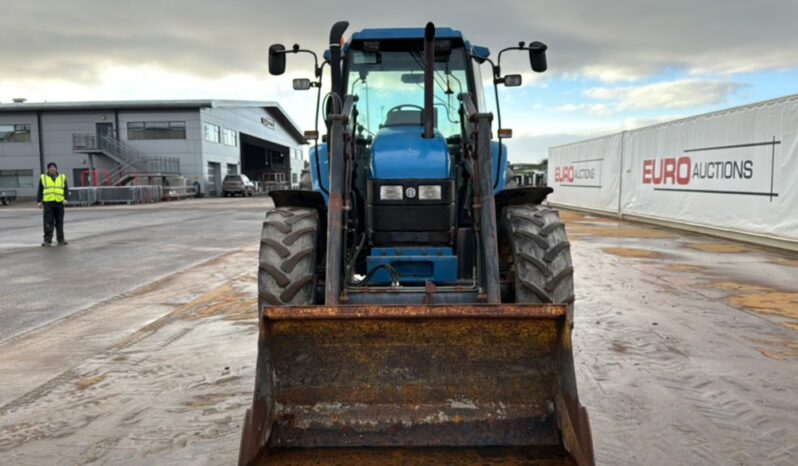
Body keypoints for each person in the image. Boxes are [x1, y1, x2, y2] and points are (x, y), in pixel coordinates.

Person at [37, 162, 69, 246]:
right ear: (48, 169)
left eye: (54, 168)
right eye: (50, 168)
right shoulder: (43, 178)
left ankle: (61, 239)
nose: (52, 169)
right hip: (48, 203)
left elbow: (66, 189)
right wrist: (39, 201)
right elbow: (40, 190)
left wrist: (66, 199)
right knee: (48, 222)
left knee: (59, 222)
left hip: (59, 203)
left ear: (56, 169)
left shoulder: (62, 177)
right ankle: (47, 240)